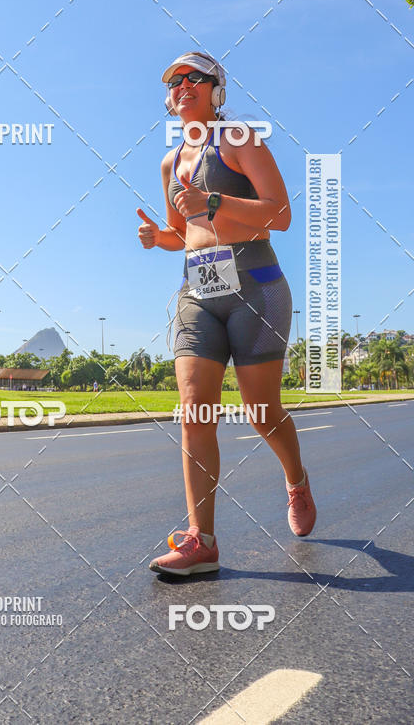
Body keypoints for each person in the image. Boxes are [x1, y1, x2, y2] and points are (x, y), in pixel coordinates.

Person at [136, 51, 316, 576]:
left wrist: (214, 202)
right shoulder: (170, 163)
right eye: (174, 81)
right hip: (197, 291)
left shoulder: (238, 140)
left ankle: (296, 478)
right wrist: (159, 238)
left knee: (261, 411)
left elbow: (280, 214)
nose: (184, 85)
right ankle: (201, 540)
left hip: (255, 284)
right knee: (194, 411)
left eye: (196, 77)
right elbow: (182, 230)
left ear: (217, 91)